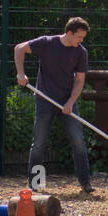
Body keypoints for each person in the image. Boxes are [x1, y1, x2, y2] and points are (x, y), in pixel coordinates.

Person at [14, 17, 93, 193]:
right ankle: (35, 184)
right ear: (69, 33)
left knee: (78, 141)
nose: (81, 41)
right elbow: (19, 48)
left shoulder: (81, 52)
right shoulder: (47, 43)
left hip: (67, 102)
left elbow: (79, 80)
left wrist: (71, 102)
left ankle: (85, 182)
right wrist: (21, 74)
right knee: (39, 142)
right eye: (79, 37)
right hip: (45, 100)